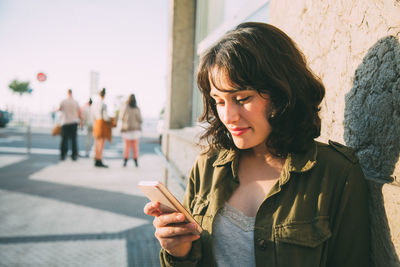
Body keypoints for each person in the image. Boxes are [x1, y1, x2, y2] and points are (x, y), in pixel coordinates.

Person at [144, 22, 370, 267]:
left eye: (242, 98)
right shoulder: (207, 165)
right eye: (218, 101)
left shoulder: (337, 173)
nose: (228, 116)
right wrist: (179, 252)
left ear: (282, 93)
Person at [118, 94, 142, 167]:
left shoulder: (125, 107)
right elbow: (140, 119)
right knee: (135, 147)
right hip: (135, 130)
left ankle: (125, 161)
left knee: (127, 147)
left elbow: (121, 117)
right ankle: (136, 161)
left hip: (127, 130)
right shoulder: (137, 108)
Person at [58, 89, 81, 161]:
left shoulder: (63, 101)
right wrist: (81, 121)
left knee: (64, 140)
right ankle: (74, 156)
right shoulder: (76, 102)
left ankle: (63, 155)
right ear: (72, 93)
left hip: (65, 122)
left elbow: (59, 109)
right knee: (74, 140)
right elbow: (79, 112)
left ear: (67, 93)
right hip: (74, 122)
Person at [92, 88, 112, 167]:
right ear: (104, 95)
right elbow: (105, 117)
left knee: (96, 142)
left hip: (96, 123)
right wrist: (110, 120)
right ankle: (99, 159)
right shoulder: (103, 104)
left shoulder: (95, 103)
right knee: (101, 143)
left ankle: (96, 158)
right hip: (102, 123)